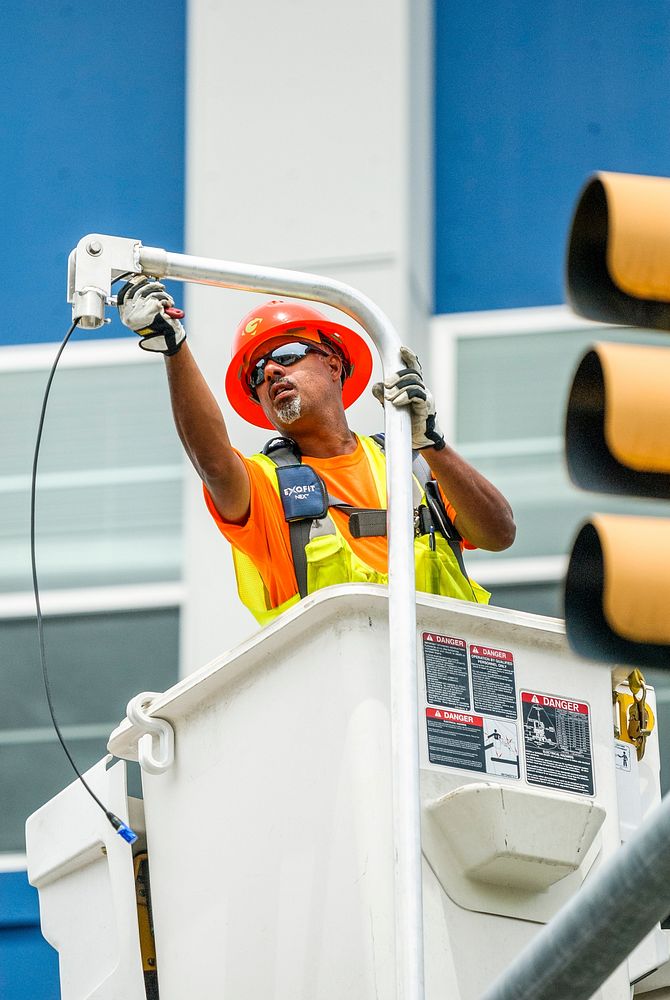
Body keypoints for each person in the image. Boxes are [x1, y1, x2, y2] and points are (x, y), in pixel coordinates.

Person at [117, 278, 516, 625]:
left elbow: (499, 533)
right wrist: (173, 346)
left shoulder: (410, 463)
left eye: (286, 355)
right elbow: (215, 464)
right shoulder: (267, 486)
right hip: (338, 696)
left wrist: (431, 445)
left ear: (333, 363)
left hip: (445, 691)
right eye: (257, 373)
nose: (270, 372)